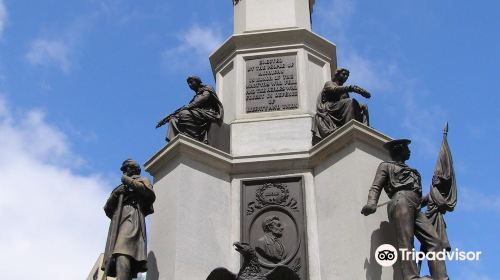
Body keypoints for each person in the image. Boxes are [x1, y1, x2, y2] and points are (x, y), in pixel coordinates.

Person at [361, 139, 449, 280]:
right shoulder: (386, 166)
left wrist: (434, 194)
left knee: (436, 242)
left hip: (415, 206)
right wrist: (371, 203)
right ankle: (412, 277)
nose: (409, 151)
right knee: (406, 241)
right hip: (400, 202)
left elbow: (418, 200)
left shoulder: (414, 172)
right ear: (398, 149)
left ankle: (441, 277)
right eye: (406, 148)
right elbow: (376, 187)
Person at [101, 159, 156, 280]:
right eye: (124, 169)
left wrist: (129, 182)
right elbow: (107, 208)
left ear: (134, 169)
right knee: (117, 252)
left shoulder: (142, 180)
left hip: (132, 215)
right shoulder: (120, 187)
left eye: (127, 168)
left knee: (123, 249)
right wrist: (116, 194)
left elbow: (149, 194)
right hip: (118, 219)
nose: (125, 171)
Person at [156, 75, 224, 144]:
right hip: (198, 113)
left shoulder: (207, 88)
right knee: (173, 119)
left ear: (197, 81)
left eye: (191, 82)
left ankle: (191, 135)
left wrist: (189, 106)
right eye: (188, 83)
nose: (190, 84)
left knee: (184, 113)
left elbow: (204, 98)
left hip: (208, 112)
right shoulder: (195, 97)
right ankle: (175, 141)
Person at [312, 68, 371, 144]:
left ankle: (364, 129)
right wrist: (351, 88)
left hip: (338, 107)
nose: (345, 76)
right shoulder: (329, 83)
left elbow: (345, 102)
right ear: (337, 74)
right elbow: (334, 90)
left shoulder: (344, 91)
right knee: (350, 101)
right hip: (330, 107)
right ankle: (349, 127)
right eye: (343, 74)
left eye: (347, 75)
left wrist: (360, 106)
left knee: (363, 106)